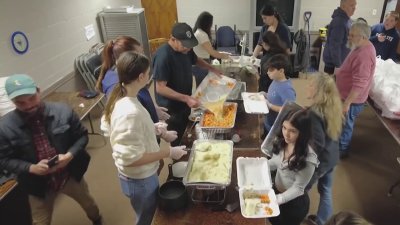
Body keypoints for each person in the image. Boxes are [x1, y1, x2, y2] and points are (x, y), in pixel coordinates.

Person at [0, 74, 102, 225]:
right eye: (20, 103)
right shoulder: (4, 127)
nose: (28, 106)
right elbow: (4, 159)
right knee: (40, 221)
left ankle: (97, 220)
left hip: (69, 175)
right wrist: (30, 168)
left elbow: (82, 136)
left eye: (31, 98)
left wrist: (69, 155)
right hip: (36, 185)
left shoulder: (63, 110)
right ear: (13, 101)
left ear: (38, 91)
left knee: (89, 205)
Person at [100, 51, 187, 225]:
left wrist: (154, 129)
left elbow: (130, 134)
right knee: (147, 219)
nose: (150, 76)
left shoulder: (128, 98)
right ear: (141, 77)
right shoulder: (129, 111)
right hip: (139, 180)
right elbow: (131, 158)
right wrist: (168, 151)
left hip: (141, 177)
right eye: (149, 74)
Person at [152, 22, 222, 146]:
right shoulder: (163, 56)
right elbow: (160, 88)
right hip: (171, 108)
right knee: (178, 137)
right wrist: (186, 98)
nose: (188, 48)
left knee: (186, 129)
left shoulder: (186, 49)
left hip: (184, 102)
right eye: (185, 45)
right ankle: (178, 161)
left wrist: (212, 68)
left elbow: (196, 60)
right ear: (173, 39)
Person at [95, 36, 170, 123]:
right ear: (128, 57)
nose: (143, 57)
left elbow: (142, 91)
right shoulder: (115, 86)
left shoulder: (131, 72)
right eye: (139, 54)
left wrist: (153, 108)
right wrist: (158, 131)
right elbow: (130, 123)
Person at [268, 109, 319, 225]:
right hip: (276, 191)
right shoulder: (283, 141)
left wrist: (279, 199)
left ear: (303, 133)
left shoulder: (309, 159)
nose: (286, 134)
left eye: (292, 131)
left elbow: (298, 188)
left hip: (293, 204)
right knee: (274, 221)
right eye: (284, 128)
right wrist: (262, 165)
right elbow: (277, 161)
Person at [305, 74, 344, 225]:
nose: (307, 88)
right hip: (332, 157)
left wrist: (305, 160)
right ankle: (322, 221)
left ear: (319, 91)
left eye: (310, 86)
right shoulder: (332, 105)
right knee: (326, 190)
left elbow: (318, 143)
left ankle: (295, 213)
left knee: (302, 189)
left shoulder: (314, 113)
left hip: (320, 161)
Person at [336, 22, 376, 159]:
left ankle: (342, 151)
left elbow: (360, 84)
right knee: (343, 123)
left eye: (352, 35)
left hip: (352, 101)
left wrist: (347, 103)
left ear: (363, 37)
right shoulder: (360, 47)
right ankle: (340, 145)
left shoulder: (364, 55)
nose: (349, 37)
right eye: (350, 34)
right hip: (346, 96)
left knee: (346, 125)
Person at [192, 11, 230, 86]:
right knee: (202, 87)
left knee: (202, 87)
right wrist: (226, 56)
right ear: (207, 23)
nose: (211, 26)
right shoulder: (201, 34)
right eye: (211, 23)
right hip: (201, 64)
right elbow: (212, 52)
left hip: (200, 63)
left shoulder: (198, 32)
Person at [263, 54, 296, 136]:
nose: (268, 72)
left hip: (277, 126)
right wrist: (265, 95)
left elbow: (289, 110)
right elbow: (274, 96)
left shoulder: (287, 89)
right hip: (269, 120)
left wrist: (270, 105)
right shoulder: (275, 80)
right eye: (268, 70)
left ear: (281, 71)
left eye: (271, 70)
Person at [323, 0, 357, 74]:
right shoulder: (340, 22)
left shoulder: (347, 20)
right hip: (334, 64)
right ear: (343, 6)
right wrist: (339, 66)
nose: (354, 8)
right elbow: (335, 46)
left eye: (355, 5)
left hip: (340, 62)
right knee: (329, 85)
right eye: (351, 5)